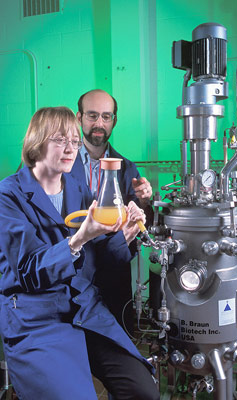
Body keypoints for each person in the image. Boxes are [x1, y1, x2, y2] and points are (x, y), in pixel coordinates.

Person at [0, 107, 160, 400]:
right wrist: (79, 238)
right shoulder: (8, 196)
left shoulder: (75, 187)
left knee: (143, 391)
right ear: (37, 142)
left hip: (84, 308)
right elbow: (27, 271)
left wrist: (122, 233)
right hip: (36, 316)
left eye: (74, 141)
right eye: (61, 140)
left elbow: (101, 257)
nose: (71, 148)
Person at [71, 89, 153, 335]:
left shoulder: (127, 168)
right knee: (77, 343)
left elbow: (139, 220)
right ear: (79, 117)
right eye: (92, 115)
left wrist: (144, 201)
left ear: (114, 121)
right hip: (73, 267)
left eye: (106, 117)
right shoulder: (63, 162)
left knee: (119, 337)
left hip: (113, 272)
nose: (99, 123)